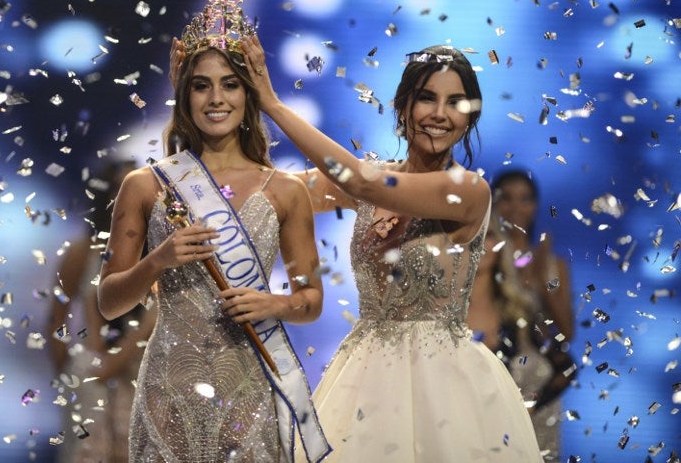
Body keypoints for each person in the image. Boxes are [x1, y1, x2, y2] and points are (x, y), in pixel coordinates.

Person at [240, 37, 544, 462]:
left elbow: (361, 182)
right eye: (426, 99)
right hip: (364, 378)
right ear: (402, 107)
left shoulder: (468, 190)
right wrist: (216, 119)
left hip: (446, 389)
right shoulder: (371, 176)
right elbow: (273, 192)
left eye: (455, 102)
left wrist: (272, 104)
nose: (439, 114)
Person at [98, 0, 330, 463]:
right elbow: (109, 303)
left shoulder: (285, 190)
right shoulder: (146, 185)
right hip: (169, 388)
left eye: (229, 85)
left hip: (250, 390)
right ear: (185, 95)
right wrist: (157, 260)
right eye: (201, 86)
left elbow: (311, 302)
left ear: (249, 94)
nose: (217, 98)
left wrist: (275, 303)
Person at [48, 160, 157, 463]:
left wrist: (120, 356)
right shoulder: (83, 251)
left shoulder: (159, 252)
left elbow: (159, 316)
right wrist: (68, 370)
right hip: (91, 372)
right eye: (120, 190)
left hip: (143, 375)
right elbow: (57, 319)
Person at [468, 169, 576, 461]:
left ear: (536, 205)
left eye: (525, 199)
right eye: (506, 199)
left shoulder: (552, 264)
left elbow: (566, 333)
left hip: (535, 380)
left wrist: (542, 280)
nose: (516, 208)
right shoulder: (480, 256)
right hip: (491, 368)